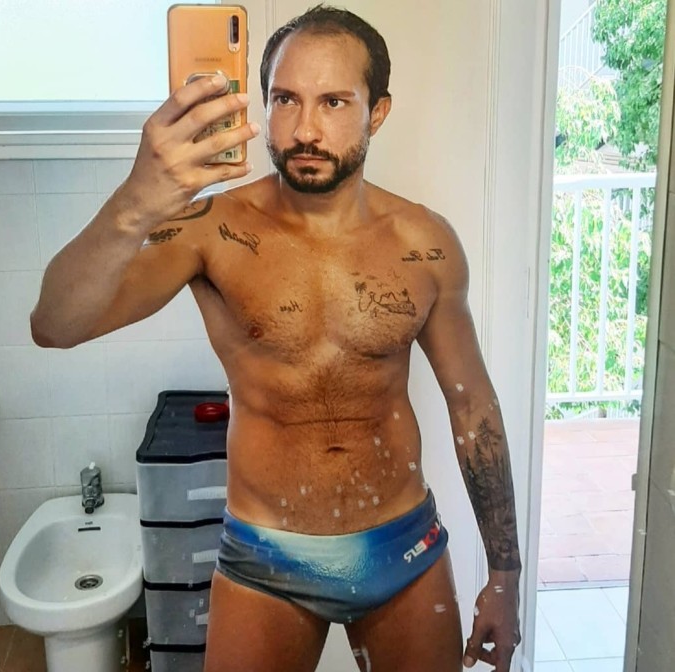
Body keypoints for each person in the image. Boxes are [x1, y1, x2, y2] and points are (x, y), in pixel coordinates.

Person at [30, 5, 521, 672]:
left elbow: (473, 409)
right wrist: (136, 201)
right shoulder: (211, 229)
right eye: (285, 100)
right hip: (265, 558)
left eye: (333, 102)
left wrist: (505, 574)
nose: (305, 129)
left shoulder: (425, 244)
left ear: (377, 112)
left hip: (402, 547)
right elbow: (55, 325)